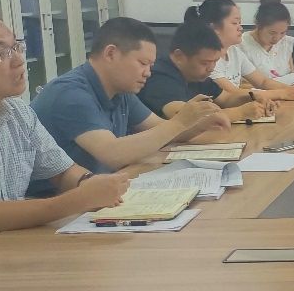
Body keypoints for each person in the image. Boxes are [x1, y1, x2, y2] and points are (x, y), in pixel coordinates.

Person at [0, 1, 128, 259]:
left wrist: (91, 183)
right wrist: (79, 199)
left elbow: (63, 171)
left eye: (16, 47)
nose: (19, 60)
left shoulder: (16, 111)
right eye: (0, 53)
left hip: (6, 252)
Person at [33, 17, 230, 175]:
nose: (148, 73)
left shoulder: (121, 91)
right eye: (143, 63)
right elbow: (112, 154)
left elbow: (162, 131)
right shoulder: (71, 94)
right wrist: (180, 122)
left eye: (150, 66)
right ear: (111, 54)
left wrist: (199, 123)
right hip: (51, 200)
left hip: (98, 189)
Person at [138, 21, 272, 122]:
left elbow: (226, 99)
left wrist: (253, 98)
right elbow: (182, 118)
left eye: (215, 61)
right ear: (179, 56)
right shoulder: (159, 77)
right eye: (205, 63)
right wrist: (240, 113)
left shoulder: (196, 74)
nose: (211, 68)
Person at [185, 0, 294, 102]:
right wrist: (282, 93)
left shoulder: (234, 51)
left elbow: (262, 81)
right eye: (235, 23)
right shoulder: (206, 60)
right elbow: (233, 94)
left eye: (240, 23)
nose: (240, 28)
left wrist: (291, 89)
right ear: (214, 28)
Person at [240, 0, 294, 77]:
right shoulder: (241, 45)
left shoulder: (285, 42)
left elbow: (292, 75)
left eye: (282, 33)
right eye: (272, 33)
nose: (277, 38)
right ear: (258, 25)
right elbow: (239, 81)